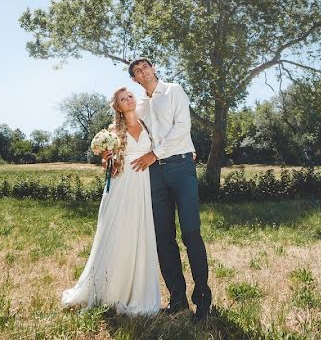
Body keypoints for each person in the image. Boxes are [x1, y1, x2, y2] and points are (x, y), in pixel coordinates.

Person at [61, 87, 160, 316]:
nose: (128, 100)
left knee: (139, 234)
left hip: (143, 187)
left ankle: (136, 291)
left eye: (130, 96)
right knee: (117, 234)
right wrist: (106, 161)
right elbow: (110, 168)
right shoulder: (114, 130)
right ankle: (109, 292)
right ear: (117, 107)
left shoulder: (146, 125)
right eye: (123, 99)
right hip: (121, 187)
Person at [127, 57, 212, 321]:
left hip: (181, 167)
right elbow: (129, 127)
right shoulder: (139, 105)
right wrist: (110, 147)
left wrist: (155, 154)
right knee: (163, 238)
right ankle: (178, 299)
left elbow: (182, 128)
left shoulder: (174, 90)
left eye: (146, 67)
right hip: (154, 175)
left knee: (190, 231)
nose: (144, 72)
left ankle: (203, 298)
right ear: (135, 80)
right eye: (138, 71)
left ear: (153, 69)